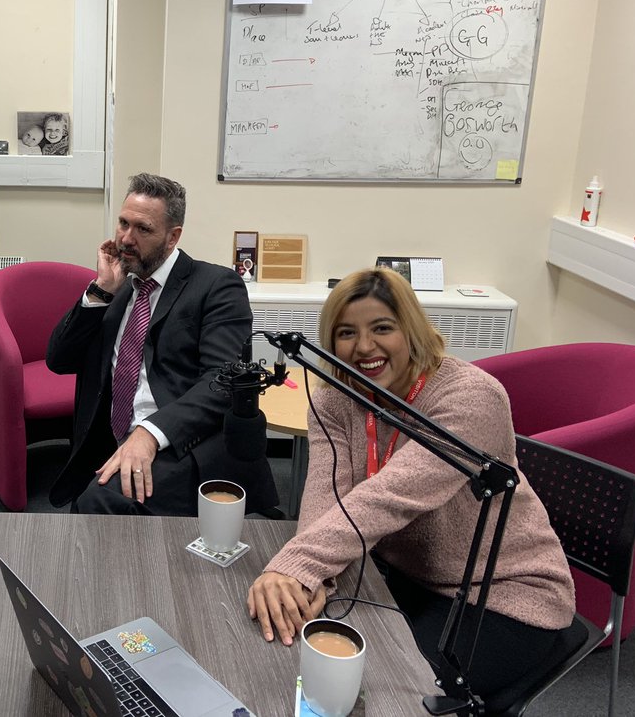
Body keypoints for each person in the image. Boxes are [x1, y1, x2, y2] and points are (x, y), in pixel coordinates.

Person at [246, 268, 579, 708]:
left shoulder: (471, 397)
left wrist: (296, 564)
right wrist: (313, 575)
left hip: (504, 596)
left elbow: (390, 497)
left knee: (380, 691)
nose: (364, 347)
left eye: (382, 328)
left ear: (412, 330)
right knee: (310, 662)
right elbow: (327, 494)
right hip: (408, 577)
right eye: (347, 333)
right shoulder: (334, 397)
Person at [46, 173, 278, 516]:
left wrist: (150, 433)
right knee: (92, 503)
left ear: (173, 237)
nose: (126, 238)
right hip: (113, 436)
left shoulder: (216, 286)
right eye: (123, 223)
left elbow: (222, 380)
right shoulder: (118, 288)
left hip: (179, 441)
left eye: (143, 229)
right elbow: (59, 360)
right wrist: (100, 291)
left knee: (100, 503)